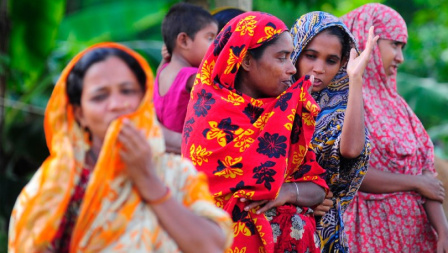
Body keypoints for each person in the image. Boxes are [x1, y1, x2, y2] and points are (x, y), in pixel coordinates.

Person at [8, 42, 232, 253]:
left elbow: (212, 246)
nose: (117, 105)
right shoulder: (56, 183)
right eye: (99, 96)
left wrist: (148, 181)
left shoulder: (176, 173)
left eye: (127, 91)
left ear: (143, 99)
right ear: (79, 114)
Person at [181, 11, 329, 253]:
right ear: (247, 61)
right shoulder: (208, 116)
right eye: (282, 57)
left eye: (291, 57)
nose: (292, 68)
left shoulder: (287, 113)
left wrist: (288, 192)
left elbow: (318, 188)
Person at [341, 3, 448, 252]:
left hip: (414, 239)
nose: (400, 57)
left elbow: (427, 176)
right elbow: (353, 173)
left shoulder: (397, 105)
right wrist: (415, 183)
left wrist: (442, 229)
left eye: (402, 47)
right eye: (394, 45)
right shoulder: (347, 100)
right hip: (367, 237)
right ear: (366, 41)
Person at [289, 11, 377, 252]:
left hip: (323, 234)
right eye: (311, 56)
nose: (318, 68)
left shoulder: (339, 107)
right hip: (273, 224)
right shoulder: (271, 100)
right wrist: (301, 197)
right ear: (294, 51)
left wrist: (355, 78)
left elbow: (350, 150)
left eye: (331, 60)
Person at [155, 3, 218, 154]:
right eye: (210, 38)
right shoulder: (193, 77)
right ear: (183, 41)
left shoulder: (162, 71)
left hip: (167, 155)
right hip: (187, 157)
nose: (216, 46)